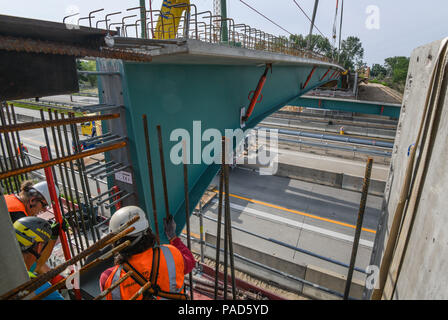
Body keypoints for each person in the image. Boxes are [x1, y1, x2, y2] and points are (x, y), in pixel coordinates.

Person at [100, 206, 196, 300]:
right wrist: (173, 237)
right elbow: (190, 262)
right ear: (148, 232)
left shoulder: (109, 278)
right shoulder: (171, 254)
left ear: (116, 242)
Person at [5, 180, 67, 277]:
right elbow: (35, 265)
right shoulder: (18, 217)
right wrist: (53, 237)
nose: (45, 210)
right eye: (44, 205)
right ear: (32, 200)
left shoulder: (10, 199)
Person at [13, 216, 64, 300]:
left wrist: (53, 238)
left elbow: (38, 264)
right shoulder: (40, 287)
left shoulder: (10, 265)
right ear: (39, 247)